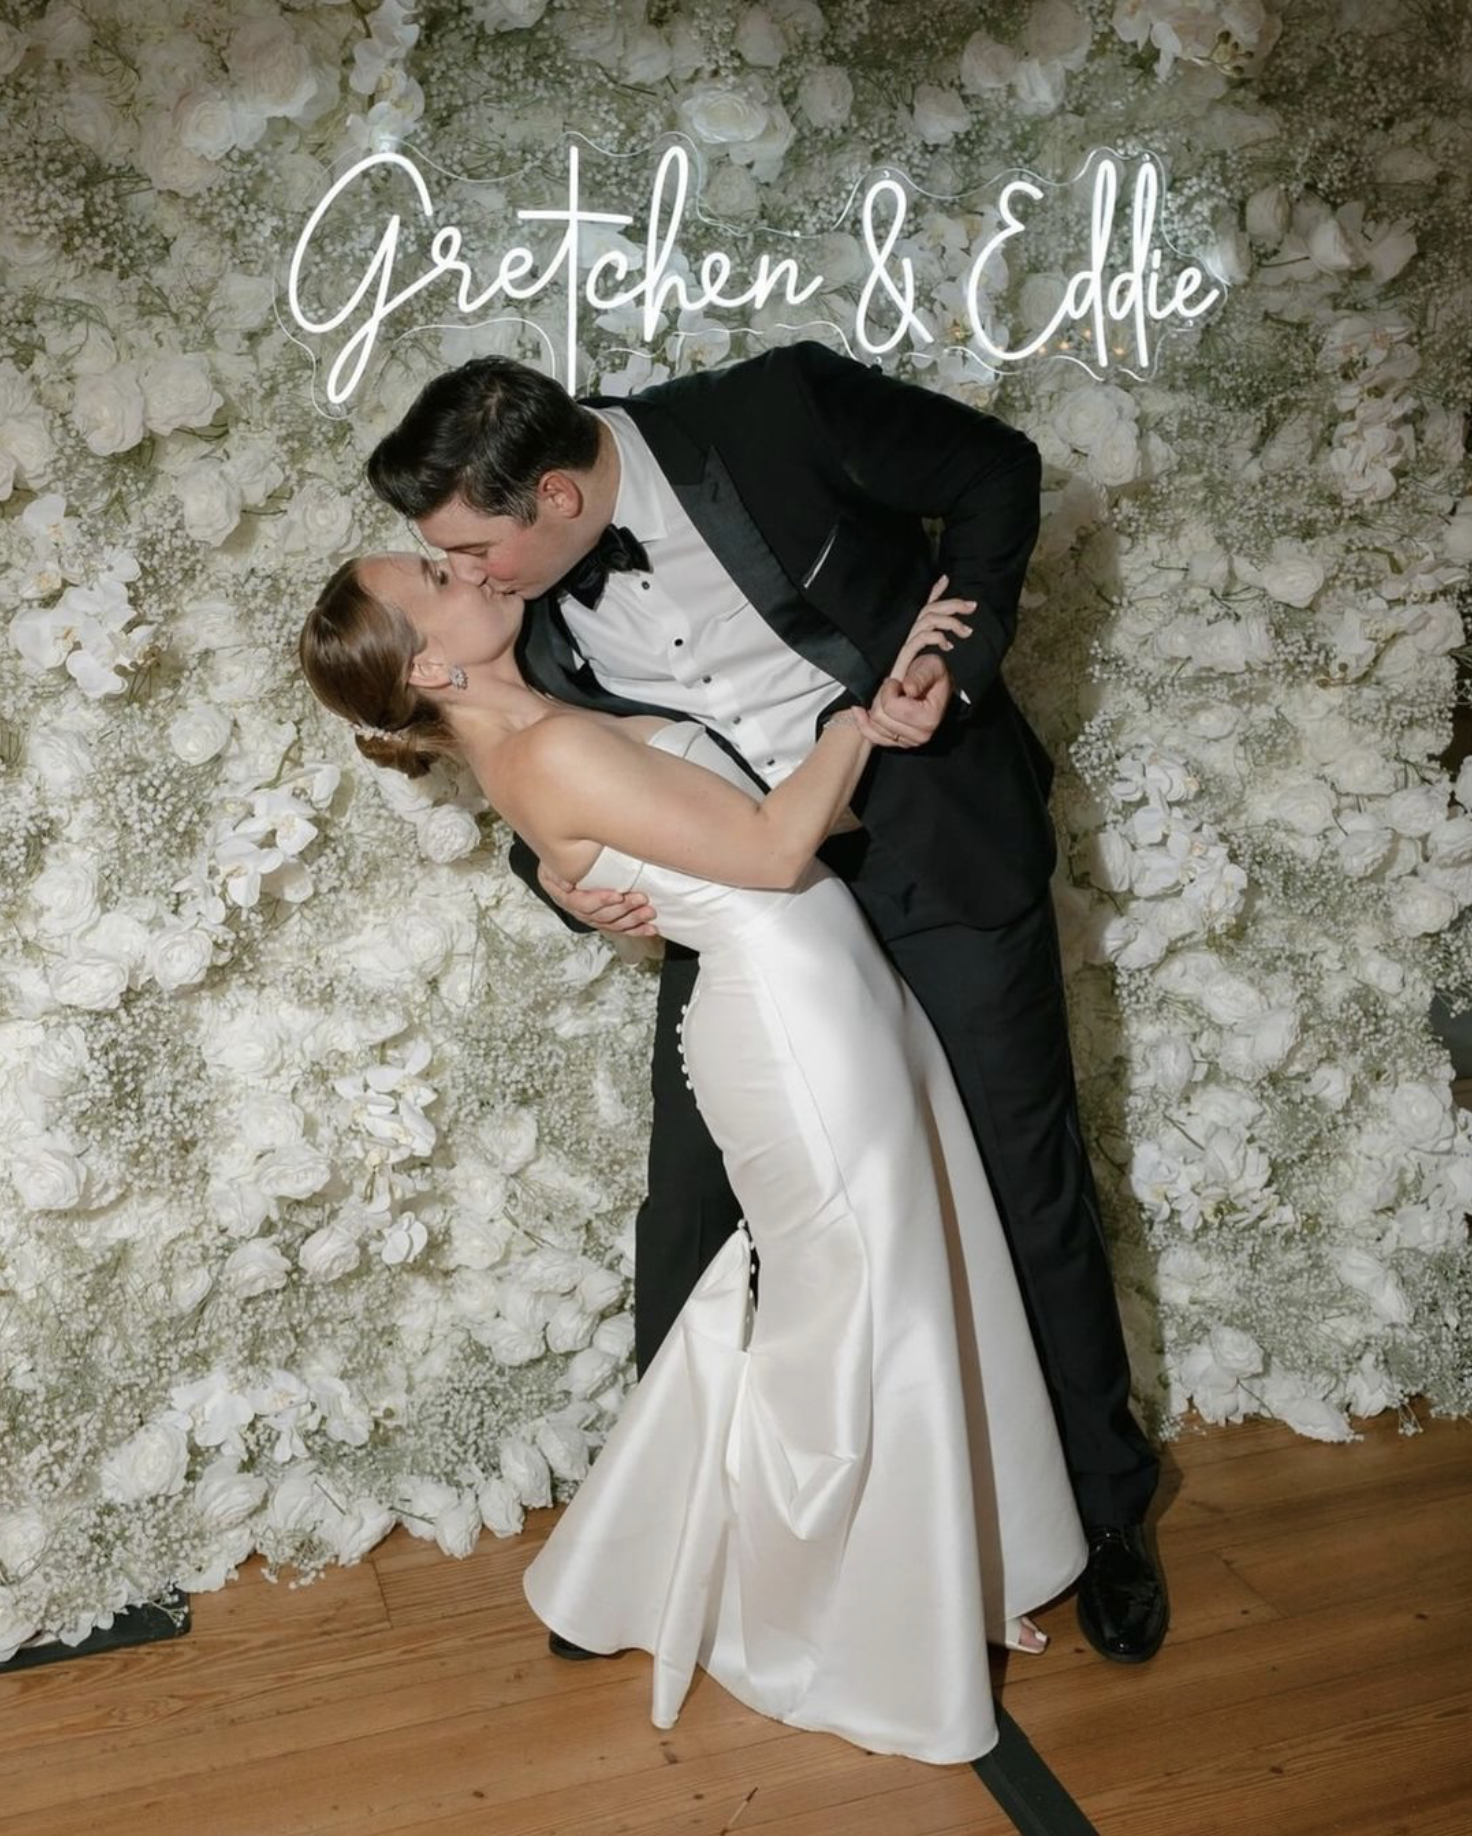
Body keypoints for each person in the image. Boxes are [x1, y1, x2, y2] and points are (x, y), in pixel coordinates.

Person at [362, 342, 1168, 1665]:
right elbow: (526, 765)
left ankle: (1104, 1509)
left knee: (1023, 1182)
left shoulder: (772, 408)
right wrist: (558, 880)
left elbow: (993, 472)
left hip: (939, 855)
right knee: (692, 1210)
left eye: (471, 550)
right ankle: (656, 1544)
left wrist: (957, 666)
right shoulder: (511, 613)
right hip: (755, 923)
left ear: (554, 498)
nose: (467, 575)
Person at [298, 556, 1086, 1761]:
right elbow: (770, 851)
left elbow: (713, 836)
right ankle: (842, 1619)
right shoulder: (544, 750)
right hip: (793, 1024)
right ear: (430, 664)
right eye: (435, 578)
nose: (467, 567)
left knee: (902, 1288)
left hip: (824, 994)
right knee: (856, 1316)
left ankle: (928, 1581)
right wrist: (863, 712)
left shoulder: (534, 733)